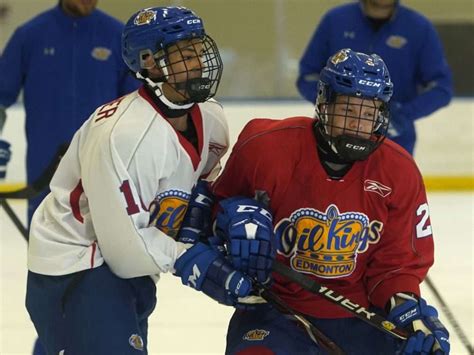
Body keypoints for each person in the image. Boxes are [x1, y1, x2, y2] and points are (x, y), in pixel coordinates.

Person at [25, 6, 253, 354]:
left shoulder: (211, 118)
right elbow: (126, 253)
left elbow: (202, 192)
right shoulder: (125, 136)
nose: (198, 62)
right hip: (76, 263)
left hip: (131, 268)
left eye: (198, 50)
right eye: (184, 54)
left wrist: (220, 220)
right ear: (149, 61)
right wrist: (196, 260)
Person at [211, 49, 450, 354]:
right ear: (324, 103)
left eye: (368, 114)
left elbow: (395, 264)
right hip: (275, 310)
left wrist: (408, 310)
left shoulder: (397, 170)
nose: (357, 124)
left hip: (359, 315)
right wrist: (229, 221)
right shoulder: (265, 147)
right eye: (348, 111)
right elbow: (217, 210)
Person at [0, 0, 140, 222]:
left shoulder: (118, 35)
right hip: (44, 168)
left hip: (103, 164)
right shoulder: (29, 35)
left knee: (102, 245)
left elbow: (138, 105)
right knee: (43, 244)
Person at [296, 0, 453, 155]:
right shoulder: (335, 20)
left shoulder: (419, 27)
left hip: (395, 141)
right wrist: (331, 103)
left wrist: (402, 115)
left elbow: (441, 88)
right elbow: (308, 76)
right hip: (330, 137)